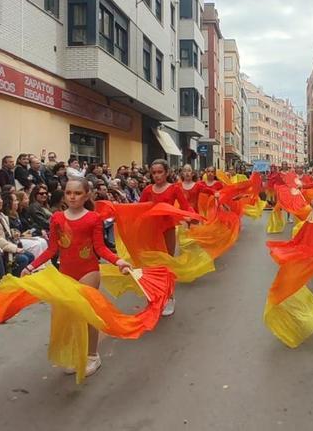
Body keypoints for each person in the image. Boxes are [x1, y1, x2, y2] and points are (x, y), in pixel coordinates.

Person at [20, 178, 132, 377]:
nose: (72, 196)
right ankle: (75, 352)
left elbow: (100, 248)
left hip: (89, 271)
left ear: (87, 195)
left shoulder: (93, 218)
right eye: (69, 193)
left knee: (87, 314)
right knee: (69, 315)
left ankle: (92, 355)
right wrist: (30, 266)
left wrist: (119, 262)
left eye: (77, 193)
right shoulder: (57, 218)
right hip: (66, 272)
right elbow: (53, 249)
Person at [139, 159, 193, 316]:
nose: (157, 175)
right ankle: (154, 297)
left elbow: (185, 206)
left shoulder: (174, 189)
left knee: (166, 264)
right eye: (154, 172)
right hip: (150, 231)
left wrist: (189, 216)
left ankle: (169, 297)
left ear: (167, 172)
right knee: (151, 265)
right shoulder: (148, 190)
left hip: (167, 230)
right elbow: (139, 208)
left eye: (160, 172)